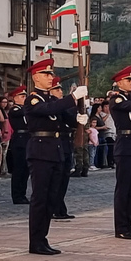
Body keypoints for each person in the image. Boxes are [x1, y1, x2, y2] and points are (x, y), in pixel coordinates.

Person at [24, 60, 86, 255]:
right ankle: (35, 241)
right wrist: (72, 98)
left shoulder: (51, 100)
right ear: (35, 77)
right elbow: (47, 111)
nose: (51, 78)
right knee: (40, 198)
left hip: (55, 151)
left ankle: (43, 238)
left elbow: (64, 117)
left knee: (51, 198)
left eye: (51, 74)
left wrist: (78, 117)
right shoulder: (33, 99)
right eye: (46, 74)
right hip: (41, 151)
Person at [108, 66, 131, 239]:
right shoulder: (117, 99)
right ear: (119, 82)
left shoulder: (130, 98)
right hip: (125, 145)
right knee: (124, 189)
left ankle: (128, 224)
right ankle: (121, 226)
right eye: (128, 80)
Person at [49, 76, 82, 220]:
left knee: (64, 178)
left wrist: (79, 114)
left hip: (65, 142)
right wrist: (72, 98)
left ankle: (60, 207)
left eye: (60, 89)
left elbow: (70, 119)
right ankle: (54, 208)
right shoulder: (49, 104)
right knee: (55, 179)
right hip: (54, 143)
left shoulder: (61, 105)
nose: (60, 91)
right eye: (57, 89)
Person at [7, 86, 30, 205]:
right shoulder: (14, 110)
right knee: (19, 169)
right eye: (22, 96)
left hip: (27, 139)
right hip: (19, 140)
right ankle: (17, 195)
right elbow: (23, 112)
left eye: (25, 96)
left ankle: (23, 193)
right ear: (15, 98)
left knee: (26, 170)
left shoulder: (24, 109)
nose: (25, 98)